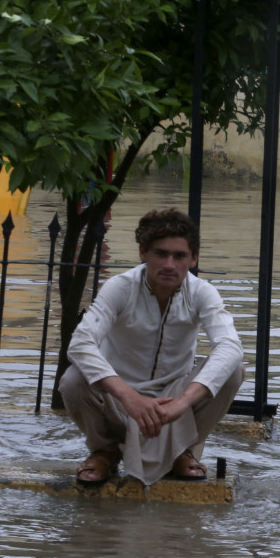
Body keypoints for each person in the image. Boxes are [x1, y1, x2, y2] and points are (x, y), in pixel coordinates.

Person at [59, 208, 245, 485]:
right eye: (161, 253)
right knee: (73, 380)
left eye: (179, 256)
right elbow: (80, 343)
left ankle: (183, 451)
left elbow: (230, 346)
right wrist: (129, 397)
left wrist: (181, 403)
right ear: (143, 253)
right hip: (120, 401)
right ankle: (104, 451)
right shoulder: (120, 287)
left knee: (233, 370)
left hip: (173, 402)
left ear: (193, 259)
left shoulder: (202, 292)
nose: (170, 264)